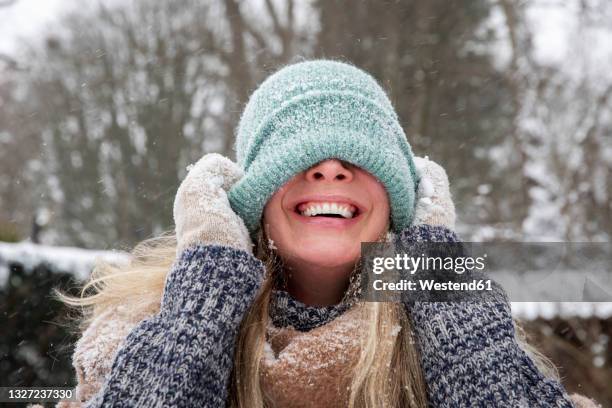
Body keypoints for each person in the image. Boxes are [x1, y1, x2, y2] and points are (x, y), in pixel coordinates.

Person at [53, 60, 600, 407]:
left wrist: (437, 279)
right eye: (299, 157)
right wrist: (204, 296)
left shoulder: (466, 326)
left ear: (401, 204)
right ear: (253, 199)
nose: (331, 170)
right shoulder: (142, 328)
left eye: (361, 159)